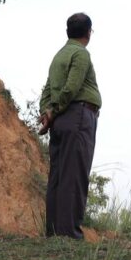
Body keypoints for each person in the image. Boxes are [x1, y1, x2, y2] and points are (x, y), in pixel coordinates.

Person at [39, 12, 102, 239]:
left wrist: (47, 113)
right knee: (74, 176)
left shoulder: (59, 56)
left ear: (68, 32)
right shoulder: (81, 54)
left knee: (57, 175)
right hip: (79, 116)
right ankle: (69, 234)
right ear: (88, 32)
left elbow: (48, 89)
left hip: (60, 121)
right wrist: (54, 111)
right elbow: (71, 88)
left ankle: (53, 232)